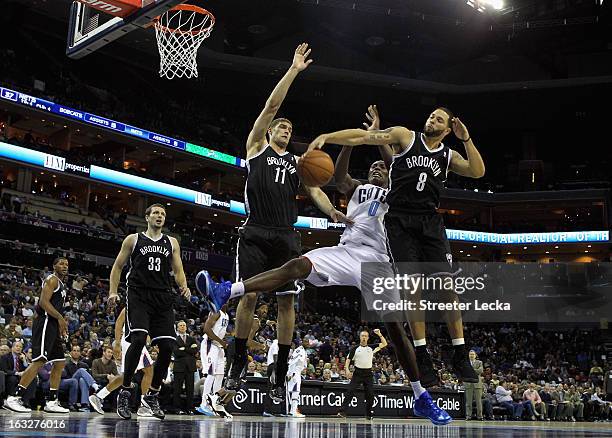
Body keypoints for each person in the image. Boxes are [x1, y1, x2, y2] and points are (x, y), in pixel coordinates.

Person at [201, 110, 453, 425]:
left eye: (381, 167)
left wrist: (377, 141)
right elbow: (338, 177)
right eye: (373, 166)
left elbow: (397, 162)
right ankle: (228, 289)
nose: (376, 168)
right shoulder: (359, 190)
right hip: (347, 251)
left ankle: (421, 398)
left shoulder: (398, 194)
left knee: (395, 329)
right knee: (297, 265)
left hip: (379, 261)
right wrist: (349, 146)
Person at [196, 43, 348, 406]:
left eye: (289, 128)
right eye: (281, 126)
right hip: (255, 231)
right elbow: (271, 107)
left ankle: (279, 372)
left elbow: (316, 191)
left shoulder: (300, 163)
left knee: (286, 304)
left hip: (285, 235)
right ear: (270, 132)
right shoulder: (255, 148)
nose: (285, 128)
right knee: (248, 295)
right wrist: (294, 70)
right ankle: (236, 363)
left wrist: (334, 214)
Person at [307, 105, 485, 387]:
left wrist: (466, 139)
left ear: (447, 129)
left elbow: (477, 171)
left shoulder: (447, 154)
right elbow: (363, 139)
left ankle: (460, 352)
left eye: (439, 119)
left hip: (430, 221)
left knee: (446, 288)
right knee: (412, 290)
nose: (431, 119)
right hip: (400, 222)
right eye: (430, 115)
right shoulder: (405, 136)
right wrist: (329, 136)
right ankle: (422, 355)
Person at [107, 203, 191, 419]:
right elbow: (117, 267)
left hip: (163, 296)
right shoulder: (133, 239)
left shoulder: (171, 242)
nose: (160, 216)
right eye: (156, 213)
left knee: (167, 346)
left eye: (163, 214)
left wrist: (184, 286)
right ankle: (125, 391)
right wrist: (112, 292)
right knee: (138, 339)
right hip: (138, 294)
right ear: (147, 217)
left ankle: (152, 395)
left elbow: (178, 270)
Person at [4, 257, 70, 413]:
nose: (65, 266)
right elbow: (43, 303)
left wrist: (61, 325)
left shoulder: (61, 284)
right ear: (54, 266)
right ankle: (14, 397)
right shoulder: (52, 280)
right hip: (46, 322)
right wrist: (60, 318)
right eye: (61, 263)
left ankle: (52, 401)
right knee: (40, 360)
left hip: (53, 325)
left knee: (60, 362)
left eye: (67, 264)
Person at [89, 307, 154, 417]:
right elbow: (119, 321)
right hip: (131, 340)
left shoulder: (148, 304)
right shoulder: (132, 302)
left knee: (127, 375)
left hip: (136, 340)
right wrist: (117, 343)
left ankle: (99, 396)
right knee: (148, 370)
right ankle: (144, 405)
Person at [337, 329, 386, 420]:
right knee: (350, 391)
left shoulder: (371, 348)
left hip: (368, 374)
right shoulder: (355, 348)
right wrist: (347, 370)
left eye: (365, 336)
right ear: (360, 337)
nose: (364, 337)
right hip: (357, 373)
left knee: (370, 394)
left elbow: (384, 343)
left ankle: (368, 414)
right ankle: (342, 411)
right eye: (362, 336)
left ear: (368, 338)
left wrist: (379, 334)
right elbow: (348, 360)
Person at [196, 305, 229, 417]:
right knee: (211, 374)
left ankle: (215, 404)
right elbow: (207, 330)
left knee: (220, 375)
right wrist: (222, 341)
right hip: (210, 345)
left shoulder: (226, 315)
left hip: (218, 346)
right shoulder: (216, 312)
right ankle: (203, 404)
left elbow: (219, 330)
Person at [0, 341, 36, 408]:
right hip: (8, 376)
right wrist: (17, 373)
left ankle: (25, 401)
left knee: (32, 378)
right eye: (17, 346)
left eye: (20, 347)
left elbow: (27, 370)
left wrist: (24, 360)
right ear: (12, 348)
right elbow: (4, 370)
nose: (18, 348)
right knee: (13, 379)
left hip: (20, 376)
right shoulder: (5, 357)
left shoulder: (22, 357)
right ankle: (11, 398)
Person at [64, 344, 100, 411]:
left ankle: (84, 405)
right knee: (81, 370)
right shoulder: (66, 365)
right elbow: (67, 379)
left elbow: (87, 378)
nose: (76, 352)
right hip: (72, 382)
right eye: (74, 350)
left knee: (82, 380)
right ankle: (95, 385)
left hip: (82, 385)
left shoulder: (84, 364)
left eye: (78, 351)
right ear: (71, 352)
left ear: (80, 353)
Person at [173, 320, 198, 414]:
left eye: (184, 325)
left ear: (186, 327)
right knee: (177, 389)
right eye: (180, 325)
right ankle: (177, 409)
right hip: (179, 367)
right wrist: (189, 349)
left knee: (190, 389)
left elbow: (195, 350)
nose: (183, 327)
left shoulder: (191, 338)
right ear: (177, 327)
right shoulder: (174, 339)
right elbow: (177, 352)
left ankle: (190, 408)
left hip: (190, 367)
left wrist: (184, 348)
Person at [286, 337, 308, 417]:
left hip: (295, 373)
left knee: (294, 392)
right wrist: (290, 373)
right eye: (306, 342)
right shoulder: (300, 350)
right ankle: (294, 411)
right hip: (295, 373)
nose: (307, 343)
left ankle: (292, 411)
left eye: (308, 342)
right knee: (295, 392)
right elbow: (292, 362)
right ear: (302, 342)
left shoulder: (302, 350)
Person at [464, 349, 483, 420]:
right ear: (468, 355)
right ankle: (468, 416)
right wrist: (474, 370)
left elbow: (480, 371)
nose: (471, 355)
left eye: (473, 354)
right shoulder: (465, 363)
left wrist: (471, 370)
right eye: (470, 354)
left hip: (477, 384)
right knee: (468, 402)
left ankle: (480, 416)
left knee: (479, 402)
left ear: (475, 355)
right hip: (468, 384)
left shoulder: (480, 362)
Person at [263, 338, 279, 417]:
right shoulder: (276, 344)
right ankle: (266, 410)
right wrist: (275, 371)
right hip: (273, 367)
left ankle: (269, 410)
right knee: (270, 389)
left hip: (274, 367)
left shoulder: (276, 344)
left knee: (272, 390)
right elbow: (275, 357)